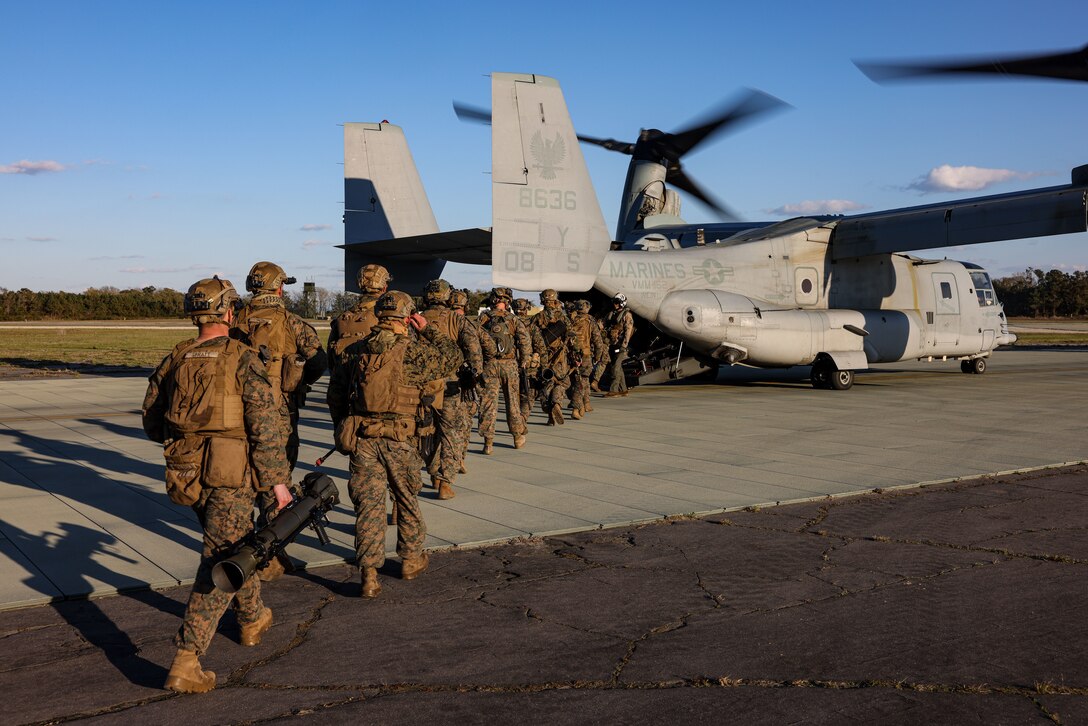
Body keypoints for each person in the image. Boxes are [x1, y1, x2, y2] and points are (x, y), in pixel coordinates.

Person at [142, 276, 292, 694]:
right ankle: (187, 659)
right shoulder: (243, 358)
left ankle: (251, 618)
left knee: (236, 546)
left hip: (186, 473)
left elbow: (152, 422)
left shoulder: (177, 357)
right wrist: (277, 484)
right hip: (231, 476)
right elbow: (266, 429)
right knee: (222, 562)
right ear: (229, 312)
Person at [326, 291, 461, 598]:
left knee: (369, 506)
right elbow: (453, 357)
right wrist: (427, 328)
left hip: (363, 439)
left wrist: (342, 427)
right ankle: (411, 560)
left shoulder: (356, 351)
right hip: (400, 438)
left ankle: (369, 575)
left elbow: (334, 395)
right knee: (406, 497)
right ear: (405, 318)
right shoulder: (412, 350)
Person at [232, 261, 327, 581]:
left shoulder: (235, 321)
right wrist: (298, 383)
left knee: (244, 480)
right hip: (279, 413)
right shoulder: (291, 322)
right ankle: (269, 555)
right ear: (279, 287)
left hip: (237, 413)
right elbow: (318, 362)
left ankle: (245, 541)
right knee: (277, 482)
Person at [420, 279, 483, 499]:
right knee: (451, 434)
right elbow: (475, 353)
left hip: (422, 387)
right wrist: (474, 376)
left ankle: (433, 473)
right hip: (451, 386)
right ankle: (445, 482)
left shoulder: (416, 320)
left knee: (425, 433)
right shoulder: (458, 320)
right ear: (448, 297)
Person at [477, 287, 531, 454]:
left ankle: (488, 442)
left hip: (489, 364)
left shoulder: (483, 318)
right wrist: (525, 360)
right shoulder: (513, 319)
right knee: (512, 402)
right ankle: (517, 437)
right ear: (507, 301)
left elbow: (474, 340)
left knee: (488, 403)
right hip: (509, 365)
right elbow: (524, 341)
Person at [449, 288, 494, 470]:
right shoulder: (469, 324)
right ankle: (459, 458)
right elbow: (489, 346)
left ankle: (437, 468)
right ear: (465, 306)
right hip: (464, 380)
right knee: (464, 422)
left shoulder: (432, 321)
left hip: (435, 381)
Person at [328, 263, 390, 372]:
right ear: (384, 287)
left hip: (345, 382)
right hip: (376, 382)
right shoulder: (388, 315)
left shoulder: (343, 317)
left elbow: (331, 358)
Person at [530, 289, 577, 425]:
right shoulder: (563, 317)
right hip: (559, 355)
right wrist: (575, 352)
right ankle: (557, 403)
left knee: (545, 382)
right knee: (562, 382)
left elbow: (529, 336)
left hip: (542, 356)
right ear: (555, 299)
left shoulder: (537, 317)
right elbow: (571, 335)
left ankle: (549, 414)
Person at [512, 297, 546, 423]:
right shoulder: (531, 326)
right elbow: (540, 346)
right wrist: (544, 364)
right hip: (530, 364)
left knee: (514, 394)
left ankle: (517, 417)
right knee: (529, 393)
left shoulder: (508, 323)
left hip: (511, 364)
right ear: (526, 309)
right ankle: (523, 418)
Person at [568, 299, 601, 417]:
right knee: (581, 380)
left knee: (581, 380)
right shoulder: (590, 320)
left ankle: (586, 403)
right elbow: (597, 339)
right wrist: (598, 355)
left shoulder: (570, 319)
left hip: (570, 355)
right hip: (585, 354)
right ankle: (576, 408)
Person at [604, 293, 635, 397]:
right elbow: (603, 323)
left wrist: (624, 346)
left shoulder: (627, 315)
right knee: (617, 367)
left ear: (622, 303)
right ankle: (623, 389)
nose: (615, 305)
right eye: (614, 302)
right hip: (612, 344)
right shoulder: (612, 314)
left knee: (615, 368)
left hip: (621, 345)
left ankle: (614, 390)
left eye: (617, 303)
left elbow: (628, 331)